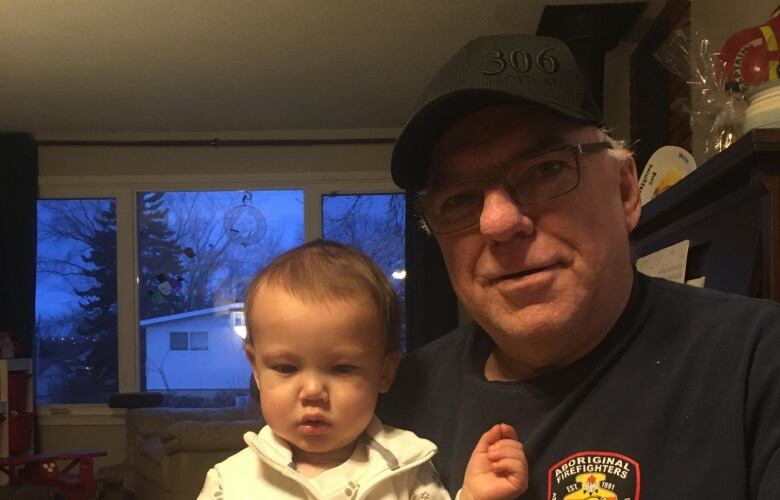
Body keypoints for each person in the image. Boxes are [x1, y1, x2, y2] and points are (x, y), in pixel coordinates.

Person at [378, 33, 780, 499]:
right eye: (459, 200)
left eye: (545, 169)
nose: (498, 221)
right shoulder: (395, 396)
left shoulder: (758, 362)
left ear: (626, 191)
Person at [197, 239, 528, 500]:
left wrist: (473, 495)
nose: (312, 391)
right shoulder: (230, 482)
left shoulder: (406, 466)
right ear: (256, 369)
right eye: (286, 367)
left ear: (385, 372)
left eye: (341, 368)